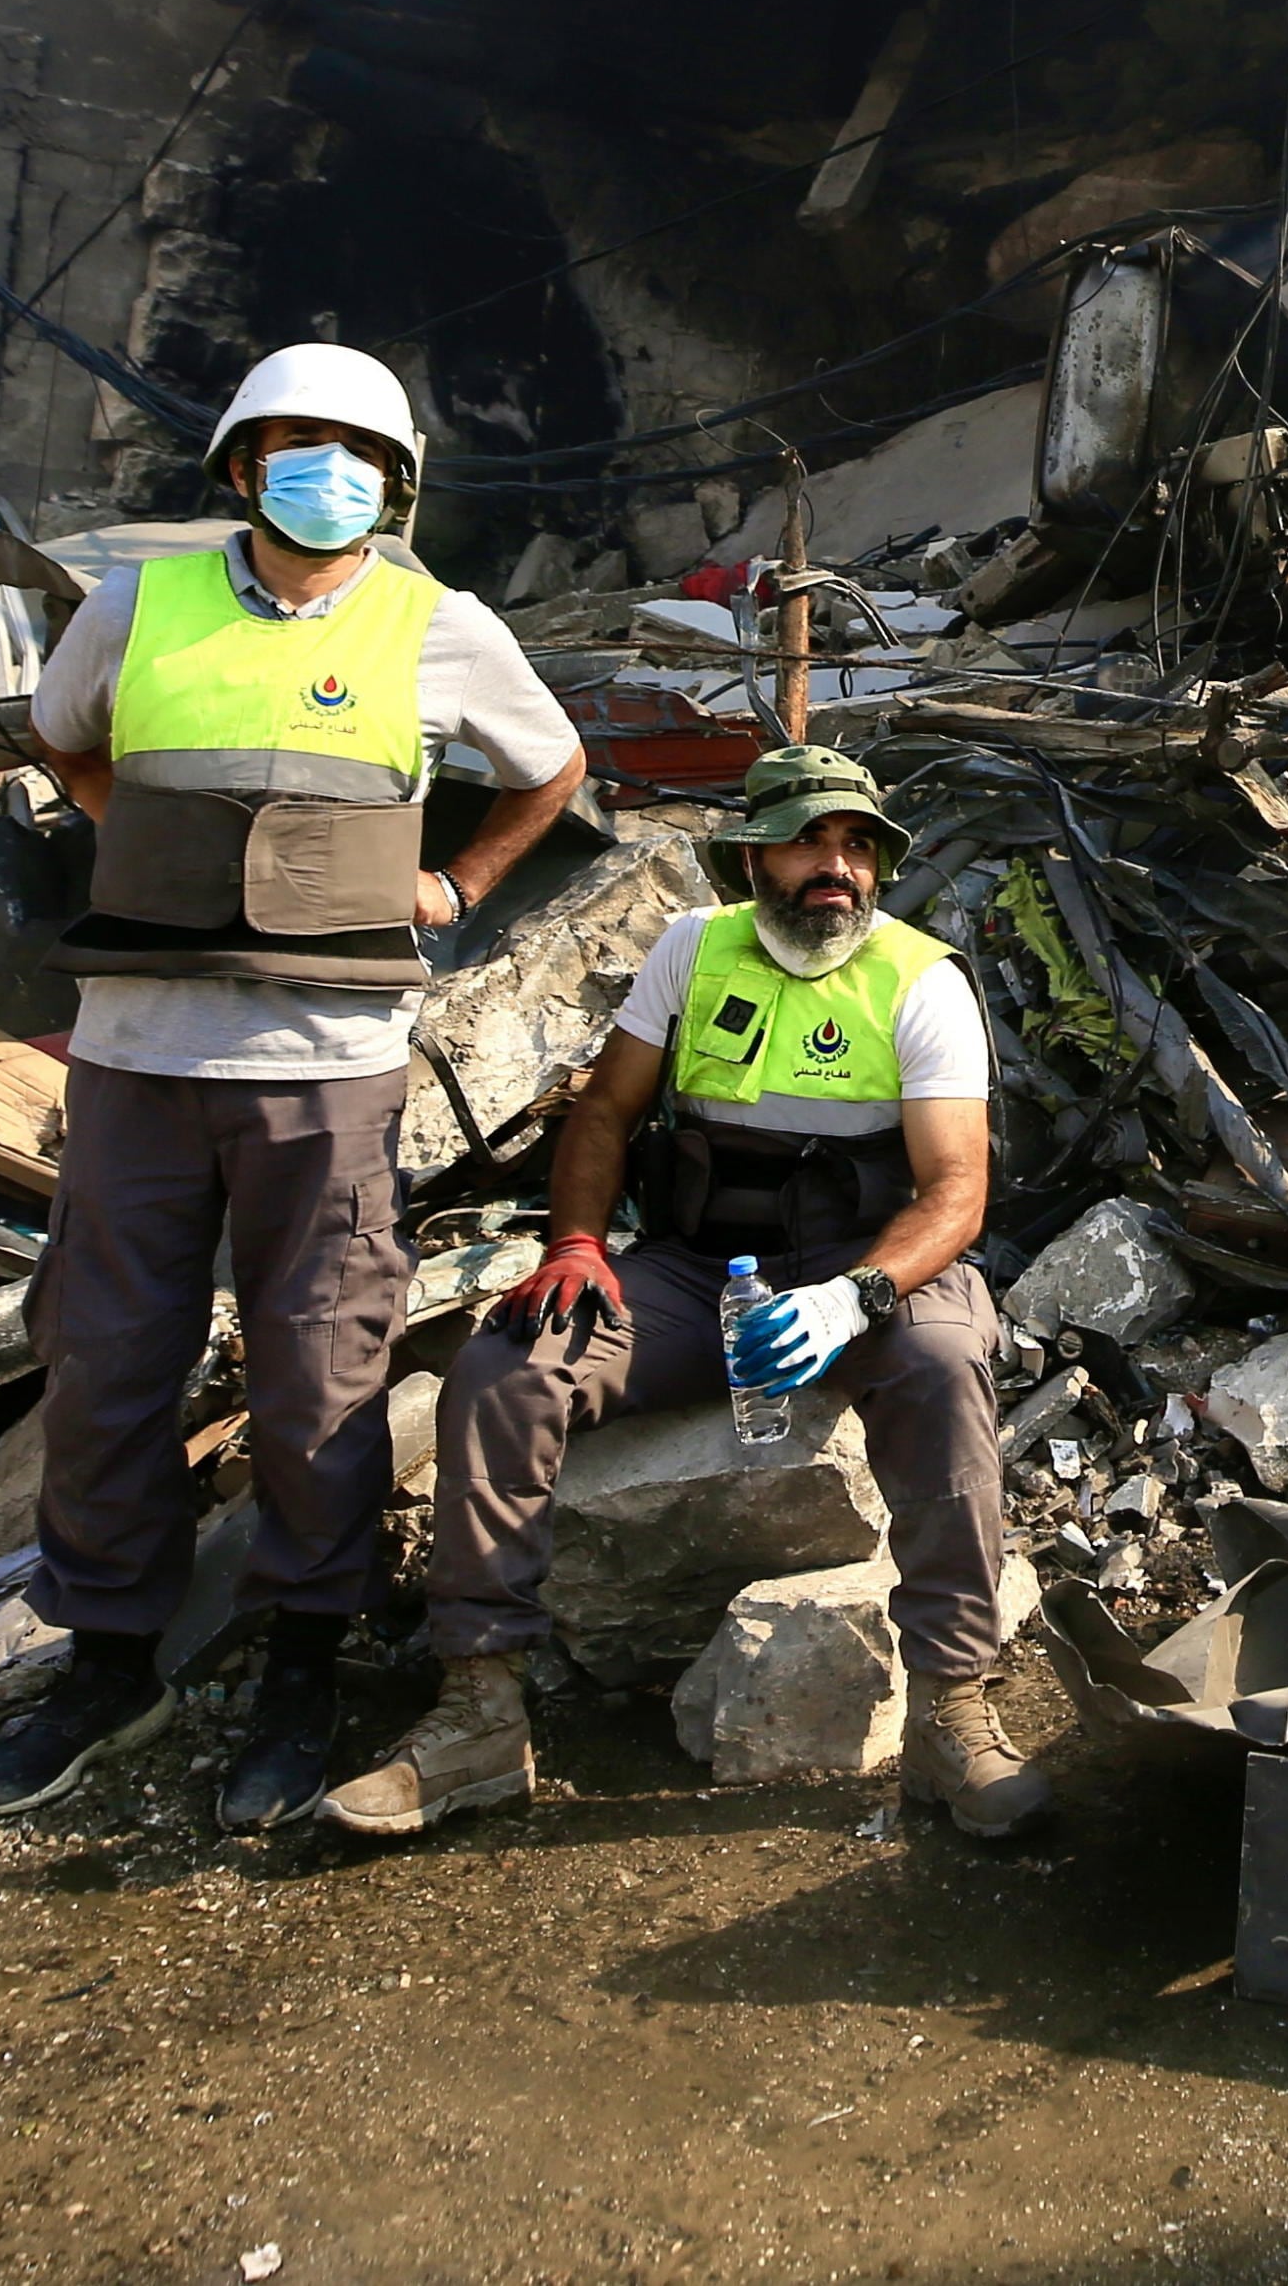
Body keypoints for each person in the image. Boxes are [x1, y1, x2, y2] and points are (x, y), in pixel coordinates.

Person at [0, 342, 588, 1829]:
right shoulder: (138, 602)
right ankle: (110, 1663)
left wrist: (458, 880)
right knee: (108, 1363)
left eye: (357, 448)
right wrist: (163, 859)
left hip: (328, 1068)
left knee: (322, 1375)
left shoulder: (441, 626)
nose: (328, 468)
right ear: (240, 466)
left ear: (398, 483)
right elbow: (62, 739)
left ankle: (304, 1667)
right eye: (296, 441)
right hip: (136, 1056)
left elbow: (549, 766)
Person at [323, 741, 1045, 1840]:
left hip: (868, 1265)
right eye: (808, 839)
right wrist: (573, 1247)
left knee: (944, 1365)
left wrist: (857, 1295)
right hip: (698, 1268)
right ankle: (477, 1711)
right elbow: (604, 1115)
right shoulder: (691, 952)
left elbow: (955, 1193)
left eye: (855, 844)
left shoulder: (919, 978)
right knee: (507, 1368)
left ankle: (951, 1710)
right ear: (750, 854)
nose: (835, 867)